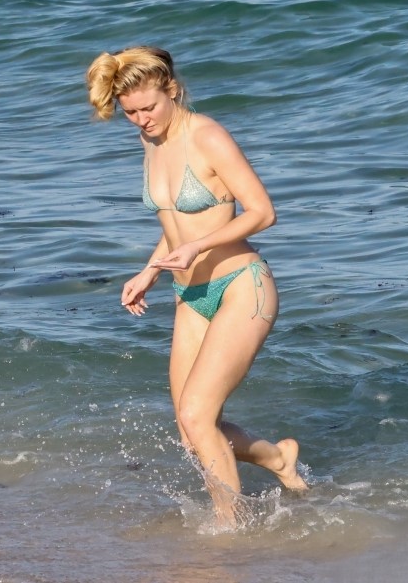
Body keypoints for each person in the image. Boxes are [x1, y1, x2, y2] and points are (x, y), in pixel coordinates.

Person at [85, 46, 307, 527]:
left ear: (172, 90)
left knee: (198, 415)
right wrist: (150, 270)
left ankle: (231, 528)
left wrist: (198, 246)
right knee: (191, 431)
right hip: (189, 295)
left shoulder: (207, 135)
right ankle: (277, 459)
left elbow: (262, 212)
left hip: (240, 287)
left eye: (149, 108)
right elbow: (176, 222)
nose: (142, 120)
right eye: (130, 113)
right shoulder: (151, 140)